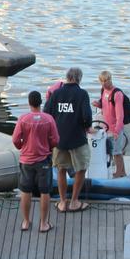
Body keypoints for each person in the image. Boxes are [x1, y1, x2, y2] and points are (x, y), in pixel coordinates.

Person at [44, 67, 93, 213]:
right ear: (79, 78)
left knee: (61, 169)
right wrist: (86, 126)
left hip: (59, 140)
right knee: (82, 168)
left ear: (67, 77)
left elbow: (47, 114)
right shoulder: (82, 94)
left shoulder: (56, 93)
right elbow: (87, 117)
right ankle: (74, 201)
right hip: (77, 138)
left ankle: (62, 202)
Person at [12, 90, 60, 232]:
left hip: (26, 160)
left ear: (29, 103)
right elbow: (56, 140)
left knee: (25, 191)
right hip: (43, 160)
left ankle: (26, 222)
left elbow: (15, 139)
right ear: (41, 102)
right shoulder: (49, 119)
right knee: (45, 191)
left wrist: (22, 147)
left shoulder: (23, 119)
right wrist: (49, 147)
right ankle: (43, 223)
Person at [93, 70, 128, 178]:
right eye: (102, 81)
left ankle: (120, 172)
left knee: (117, 152)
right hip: (106, 126)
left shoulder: (117, 94)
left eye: (106, 81)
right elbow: (105, 106)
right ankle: (120, 171)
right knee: (111, 150)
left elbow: (120, 115)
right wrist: (98, 105)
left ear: (110, 79)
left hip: (115, 127)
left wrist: (117, 130)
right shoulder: (103, 90)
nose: (104, 83)